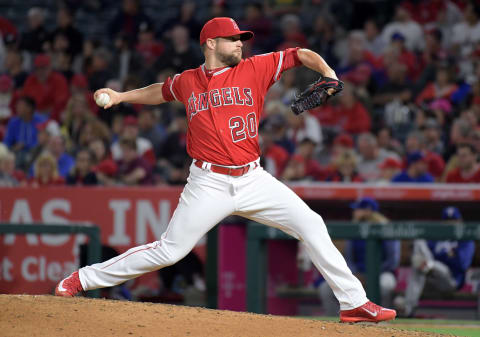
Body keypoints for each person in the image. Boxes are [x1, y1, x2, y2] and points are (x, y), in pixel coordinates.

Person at [55, 17, 396, 323]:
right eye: (233, 39)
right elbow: (159, 92)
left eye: (241, 39)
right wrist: (119, 96)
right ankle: (82, 279)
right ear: (211, 44)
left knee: (311, 223)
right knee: (170, 250)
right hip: (208, 183)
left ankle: (354, 302)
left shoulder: (254, 68)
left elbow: (300, 54)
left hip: (253, 177)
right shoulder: (188, 81)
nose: (240, 44)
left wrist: (329, 74)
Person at [319, 197, 400, 315]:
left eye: (358, 209)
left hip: (382, 273)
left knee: (385, 285)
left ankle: (383, 318)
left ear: (368, 211)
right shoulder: (354, 228)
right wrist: (355, 274)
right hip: (357, 274)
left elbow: (392, 261)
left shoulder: (386, 228)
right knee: (325, 288)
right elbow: (349, 258)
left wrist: (372, 275)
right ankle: (334, 322)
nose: (355, 212)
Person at [396, 207, 475, 317]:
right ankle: (408, 310)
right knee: (419, 246)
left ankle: (407, 306)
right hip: (430, 278)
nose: (450, 224)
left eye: (454, 221)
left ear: (460, 222)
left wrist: (441, 257)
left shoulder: (465, 240)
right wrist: (449, 255)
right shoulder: (436, 238)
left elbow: (462, 265)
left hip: (451, 280)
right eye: (447, 221)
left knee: (424, 265)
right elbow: (422, 253)